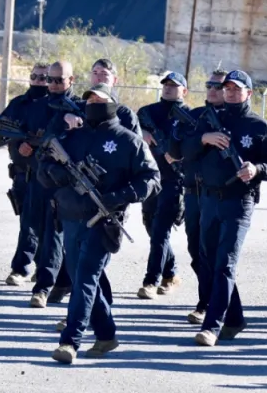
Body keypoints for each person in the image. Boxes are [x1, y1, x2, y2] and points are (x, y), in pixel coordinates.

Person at [41, 83, 160, 363]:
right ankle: (106, 335)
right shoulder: (71, 137)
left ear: (113, 103)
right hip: (70, 217)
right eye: (89, 97)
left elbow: (151, 179)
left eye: (99, 98)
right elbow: (43, 166)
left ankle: (70, 341)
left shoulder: (128, 140)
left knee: (84, 279)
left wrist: (117, 197)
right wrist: (60, 175)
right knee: (82, 277)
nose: (93, 101)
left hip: (104, 220)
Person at [182, 70, 267, 346]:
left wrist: (256, 168)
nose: (230, 93)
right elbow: (182, 150)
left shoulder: (260, 126)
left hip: (239, 201)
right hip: (208, 199)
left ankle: (211, 326)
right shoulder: (206, 119)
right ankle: (235, 318)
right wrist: (204, 139)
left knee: (225, 262)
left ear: (249, 93)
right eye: (226, 89)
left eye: (236, 90)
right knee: (210, 260)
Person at [16, 60, 79, 308]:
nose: (52, 84)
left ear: (71, 80)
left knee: (56, 234)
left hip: (65, 182)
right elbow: (17, 131)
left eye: (58, 80)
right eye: (49, 79)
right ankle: (61, 279)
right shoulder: (37, 106)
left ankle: (43, 285)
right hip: (38, 178)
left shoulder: (79, 108)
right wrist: (22, 146)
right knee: (39, 231)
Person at [172, 69, 228, 324]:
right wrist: (202, 139)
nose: (213, 89)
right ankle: (209, 298)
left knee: (219, 254)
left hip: (223, 196)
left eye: (219, 86)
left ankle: (209, 304)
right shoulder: (193, 117)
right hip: (194, 193)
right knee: (197, 251)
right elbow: (176, 150)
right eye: (209, 85)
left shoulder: (233, 119)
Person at [135, 71, 189, 299]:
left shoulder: (189, 115)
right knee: (150, 226)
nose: (168, 88)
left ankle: (151, 280)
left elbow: (195, 145)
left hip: (174, 180)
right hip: (150, 179)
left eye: (174, 85)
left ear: (184, 91)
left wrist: (178, 156)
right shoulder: (147, 112)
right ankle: (171, 273)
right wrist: (142, 133)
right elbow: (129, 130)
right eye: (166, 84)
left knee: (160, 232)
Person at [0, 61, 49, 286]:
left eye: (44, 78)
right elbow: (1, 129)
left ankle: (38, 268)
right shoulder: (19, 103)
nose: (38, 81)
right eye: (35, 76)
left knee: (47, 226)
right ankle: (24, 267)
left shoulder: (56, 106)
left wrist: (36, 146)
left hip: (47, 175)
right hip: (22, 173)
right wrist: (20, 143)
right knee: (27, 222)